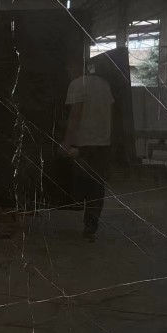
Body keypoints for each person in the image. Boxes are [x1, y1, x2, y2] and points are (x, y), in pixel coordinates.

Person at [61, 56, 114, 242]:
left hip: (84, 143)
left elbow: (75, 115)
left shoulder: (77, 84)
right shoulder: (104, 85)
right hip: (103, 143)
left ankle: (75, 207)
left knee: (81, 182)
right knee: (96, 188)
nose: (68, 72)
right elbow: (111, 113)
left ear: (74, 67)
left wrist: (66, 142)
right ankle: (90, 227)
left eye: (69, 68)